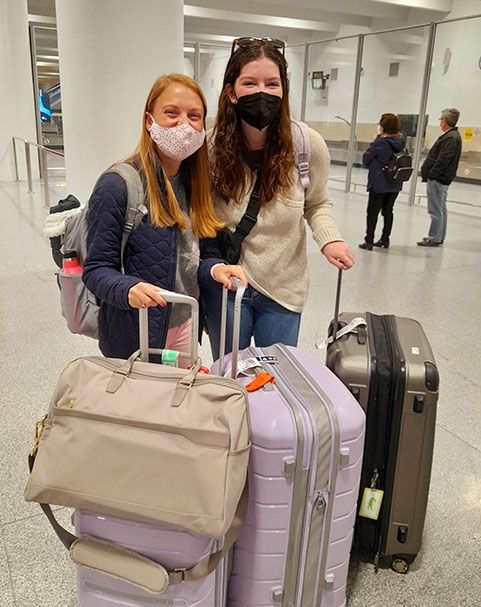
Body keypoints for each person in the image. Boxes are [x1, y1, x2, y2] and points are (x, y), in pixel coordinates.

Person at [199, 37, 354, 360]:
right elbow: (200, 213)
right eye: (249, 83)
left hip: (284, 285)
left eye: (272, 83)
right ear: (231, 91)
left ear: (283, 89)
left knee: (279, 377)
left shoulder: (306, 144)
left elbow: (318, 202)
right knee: (230, 378)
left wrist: (329, 239)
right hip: (229, 285)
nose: (262, 92)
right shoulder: (211, 149)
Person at [83, 73, 246, 363]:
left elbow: (204, 252)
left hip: (185, 323)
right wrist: (129, 288)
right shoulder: (118, 185)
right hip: (136, 330)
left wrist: (216, 268)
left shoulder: (196, 184)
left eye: (194, 116)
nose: (184, 124)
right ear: (149, 121)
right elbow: (96, 269)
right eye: (171, 113)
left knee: (175, 404)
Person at [358, 113, 405, 251]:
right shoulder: (401, 141)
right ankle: (385, 238)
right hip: (395, 183)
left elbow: (366, 159)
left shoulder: (380, 142)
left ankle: (369, 240)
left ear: (383, 127)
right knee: (388, 211)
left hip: (379, 184)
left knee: (372, 212)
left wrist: (374, 141)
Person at [417, 108, 462, 247]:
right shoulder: (451, 136)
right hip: (441, 177)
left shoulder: (451, 138)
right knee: (441, 208)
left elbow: (443, 160)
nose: (440, 122)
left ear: (446, 121)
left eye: (441, 119)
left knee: (435, 209)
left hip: (438, 178)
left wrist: (432, 174)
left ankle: (434, 237)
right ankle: (439, 235)